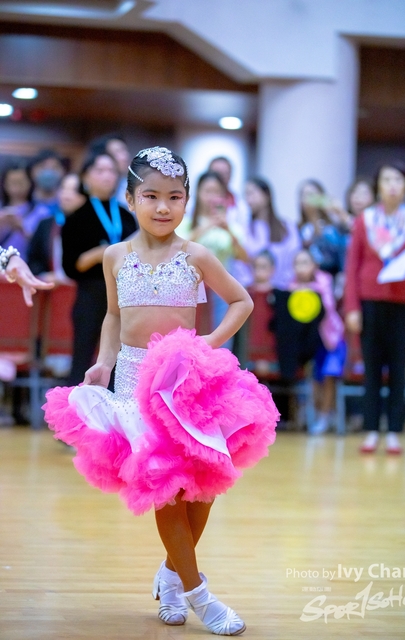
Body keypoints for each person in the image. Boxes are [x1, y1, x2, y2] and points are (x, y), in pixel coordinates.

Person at [44, 146, 278, 636]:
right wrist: (104, 362)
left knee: (203, 492)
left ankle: (171, 576)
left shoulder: (196, 255)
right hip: (136, 384)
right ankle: (200, 596)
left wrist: (208, 344)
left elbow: (241, 301)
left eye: (174, 197)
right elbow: (113, 316)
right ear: (131, 200)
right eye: (150, 196)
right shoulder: (115, 256)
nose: (163, 207)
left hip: (187, 384)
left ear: (187, 201)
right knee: (167, 491)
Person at [345, 161, 405, 454]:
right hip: (369, 302)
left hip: (404, 303)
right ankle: (370, 430)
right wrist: (352, 308)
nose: (392, 185)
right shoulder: (365, 220)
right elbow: (352, 265)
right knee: (371, 368)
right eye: (387, 179)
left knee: (398, 369)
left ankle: (393, 431)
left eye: (398, 180)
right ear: (378, 186)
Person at [61, 151, 137, 386]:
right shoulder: (77, 217)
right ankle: (76, 406)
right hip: (90, 295)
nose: (107, 176)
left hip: (124, 295)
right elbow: (72, 266)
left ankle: (117, 407)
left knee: (121, 362)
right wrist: (103, 253)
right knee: (82, 359)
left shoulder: (126, 215)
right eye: (100, 170)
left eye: (112, 171)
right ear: (86, 176)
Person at [181, 171, 248, 348]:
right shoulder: (186, 222)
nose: (212, 197)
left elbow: (244, 257)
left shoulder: (232, 226)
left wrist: (228, 230)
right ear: (198, 193)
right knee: (188, 337)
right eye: (207, 191)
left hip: (221, 288)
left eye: (216, 192)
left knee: (221, 338)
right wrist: (207, 225)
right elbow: (179, 249)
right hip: (190, 288)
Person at [290, 250, 345, 434]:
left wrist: (310, 291)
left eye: (305, 262)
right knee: (314, 377)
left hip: (331, 339)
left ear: (314, 266)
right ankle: (316, 414)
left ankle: (325, 416)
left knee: (329, 374)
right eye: (297, 263)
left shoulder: (324, 282)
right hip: (309, 342)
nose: (301, 267)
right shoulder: (291, 287)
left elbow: (328, 307)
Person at [243, 177, 301, 289]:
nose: (248, 199)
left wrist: (282, 287)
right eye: (246, 195)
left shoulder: (286, 227)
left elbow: (293, 257)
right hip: (254, 291)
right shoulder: (245, 229)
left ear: (266, 195)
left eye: (252, 193)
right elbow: (242, 265)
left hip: (283, 289)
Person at [28, 173, 86, 283]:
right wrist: (44, 275)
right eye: (63, 188)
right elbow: (33, 259)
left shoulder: (94, 226)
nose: (67, 195)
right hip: (50, 288)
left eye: (74, 190)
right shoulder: (45, 224)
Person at [0, 162, 44, 261]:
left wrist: (22, 229)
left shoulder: (41, 212)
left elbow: (44, 246)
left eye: (21, 182)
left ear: (30, 183)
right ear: (4, 184)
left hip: (27, 264)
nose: (16, 188)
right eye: (12, 183)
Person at [89, 133, 131, 207]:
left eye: (125, 151)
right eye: (118, 151)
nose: (125, 157)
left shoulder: (129, 187)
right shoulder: (88, 189)